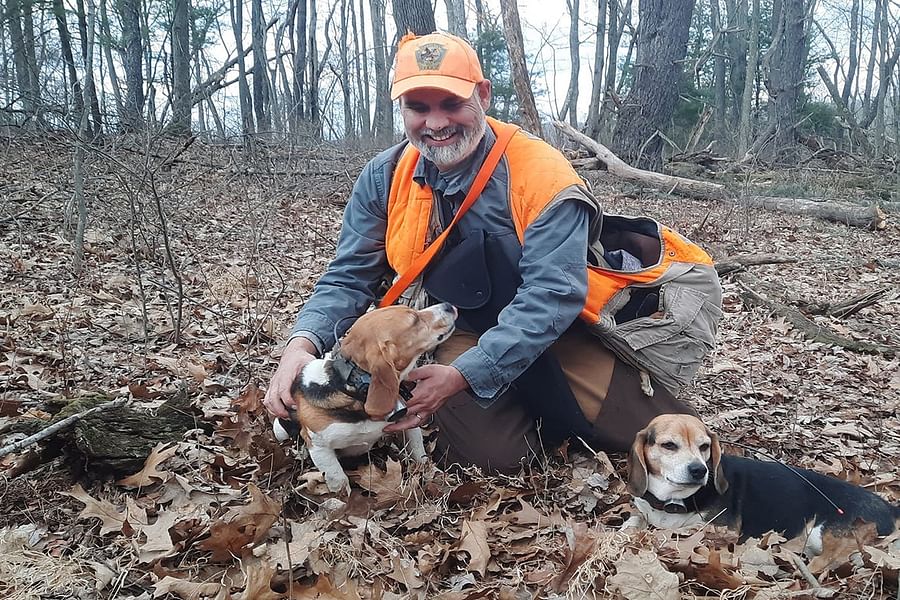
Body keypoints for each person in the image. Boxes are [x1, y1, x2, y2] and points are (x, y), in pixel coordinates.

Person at [263, 31, 713, 473]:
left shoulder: (541, 175)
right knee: (490, 459)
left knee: (664, 442)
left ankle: (546, 397)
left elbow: (554, 296)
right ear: (402, 110)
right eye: (418, 108)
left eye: (451, 104)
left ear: (483, 94)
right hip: (460, 323)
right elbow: (348, 276)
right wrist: (301, 344)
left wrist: (464, 375)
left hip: (562, 331)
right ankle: (516, 407)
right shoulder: (383, 176)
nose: (435, 123)